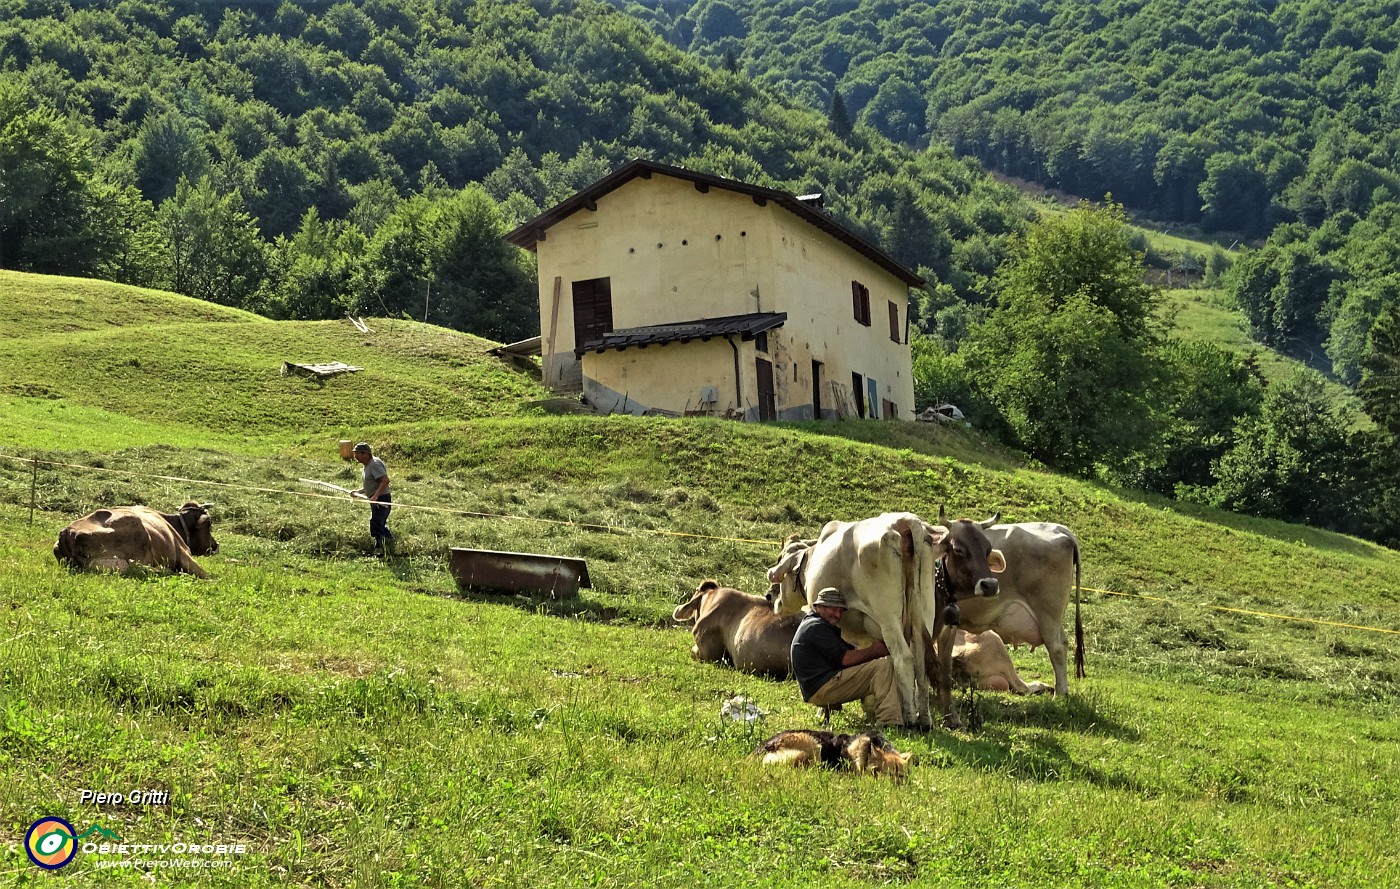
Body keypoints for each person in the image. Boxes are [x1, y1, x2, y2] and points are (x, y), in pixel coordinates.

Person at [789, 587, 903, 726]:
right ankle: (889, 721)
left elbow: (846, 652)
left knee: (872, 665)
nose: (837, 615)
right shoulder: (815, 627)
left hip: (817, 688)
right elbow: (846, 658)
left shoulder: (815, 625)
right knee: (882, 666)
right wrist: (875, 650)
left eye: (840, 611)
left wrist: (865, 653)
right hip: (823, 689)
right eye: (833, 609)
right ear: (819, 606)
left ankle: (874, 711)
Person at [350, 442, 394, 555]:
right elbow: (371, 484)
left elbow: (385, 481)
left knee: (376, 523)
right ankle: (390, 541)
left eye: (357, 454)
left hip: (382, 499)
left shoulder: (374, 464)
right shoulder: (367, 466)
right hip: (375, 499)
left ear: (365, 453)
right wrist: (358, 492)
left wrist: (376, 496)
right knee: (379, 522)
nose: (355, 457)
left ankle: (379, 548)